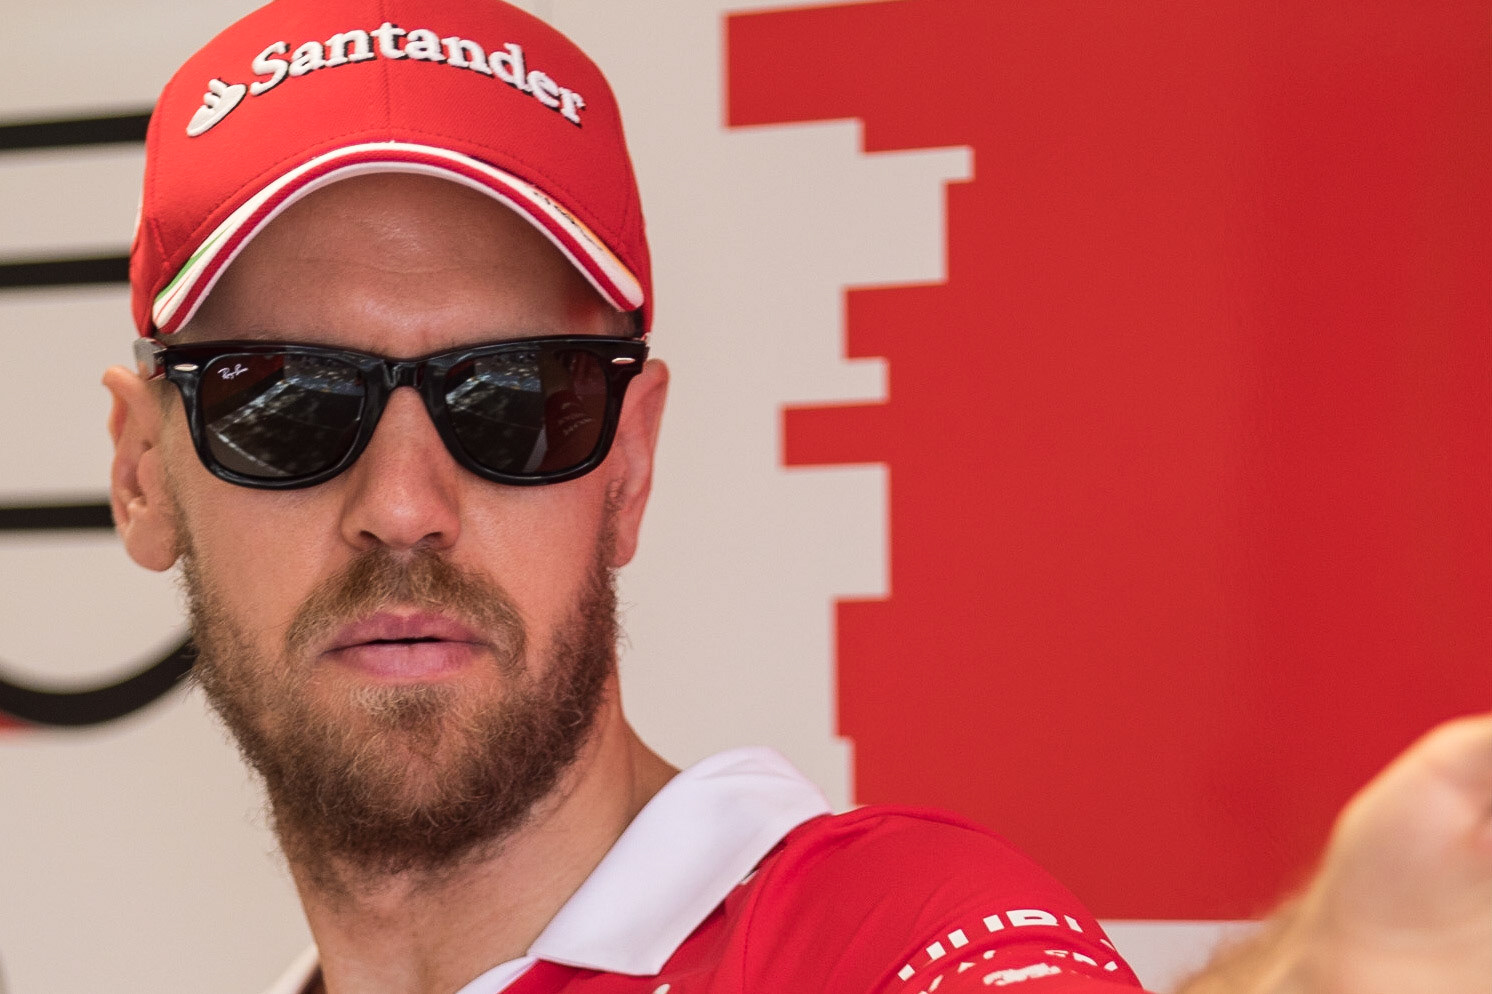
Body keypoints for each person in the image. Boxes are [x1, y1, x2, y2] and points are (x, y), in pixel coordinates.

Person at [103, 0, 1492, 991]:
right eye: (282, 403)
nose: (404, 502)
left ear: (631, 462)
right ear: (144, 470)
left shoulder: (886, 935)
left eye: (514, 400)